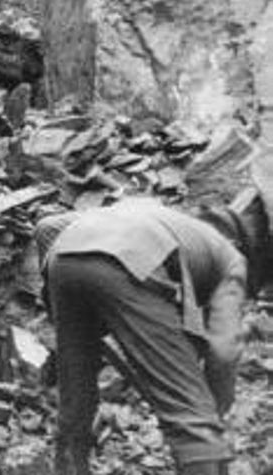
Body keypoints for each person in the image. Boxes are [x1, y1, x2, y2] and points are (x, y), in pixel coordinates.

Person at [33, 192, 269, 475]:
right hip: (128, 261)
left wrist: (66, 309)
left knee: (76, 403)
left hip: (62, 257)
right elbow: (223, 349)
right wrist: (213, 410)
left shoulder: (156, 216)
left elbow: (46, 227)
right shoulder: (231, 259)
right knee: (193, 415)